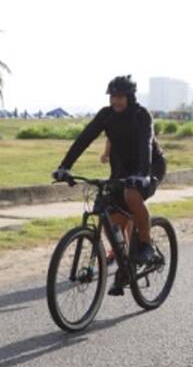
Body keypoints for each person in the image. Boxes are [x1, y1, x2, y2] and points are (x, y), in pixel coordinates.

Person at [53, 75, 167, 295]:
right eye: (113, 96)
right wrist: (64, 166)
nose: (116, 101)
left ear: (130, 97)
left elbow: (146, 146)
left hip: (150, 166)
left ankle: (145, 245)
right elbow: (84, 139)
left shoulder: (141, 115)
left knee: (132, 195)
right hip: (122, 169)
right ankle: (125, 261)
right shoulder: (106, 116)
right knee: (109, 214)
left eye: (120, 97)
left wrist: (143, 174)